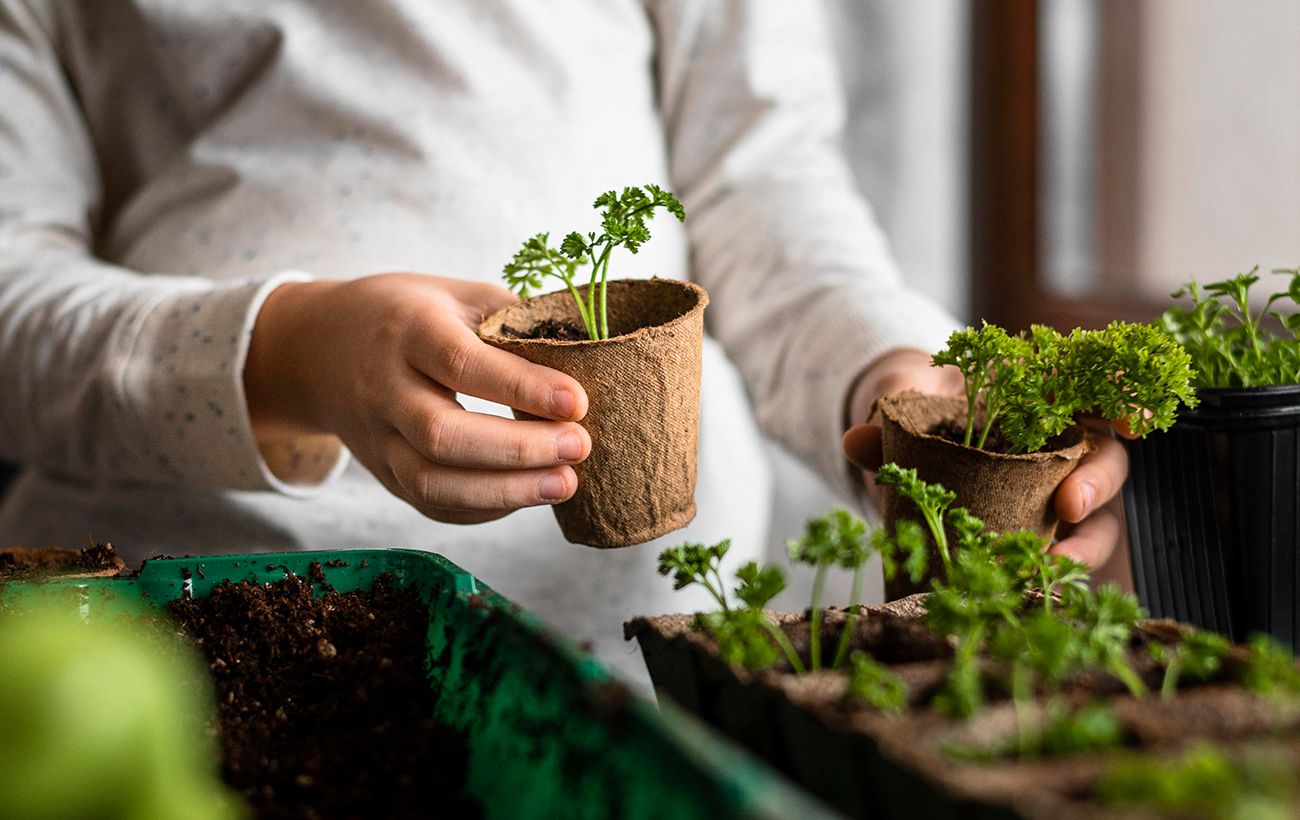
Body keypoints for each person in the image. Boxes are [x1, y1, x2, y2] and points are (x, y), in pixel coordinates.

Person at [0, 1, 1125, 684]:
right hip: (177, 633)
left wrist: (896, 375)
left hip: (660, 659)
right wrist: (289, 351)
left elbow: (759, 184)